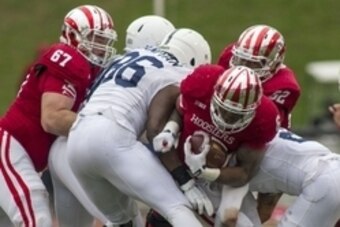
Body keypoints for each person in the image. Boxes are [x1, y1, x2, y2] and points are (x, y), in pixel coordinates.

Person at [51, 28, 213, 227]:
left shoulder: (128, 56)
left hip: (76, 139)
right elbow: (156, 129)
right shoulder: (178, 71)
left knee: (123, 220)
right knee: (177, 207)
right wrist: (185, 182)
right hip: (112, 135)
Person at [0, 4, 117, 227]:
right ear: (72, 35)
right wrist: (101, 126)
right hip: (10, 147)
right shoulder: (68, 58)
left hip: (25, 155)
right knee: (36, 214)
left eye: (104, 40)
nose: (101, 46)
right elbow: (52, 118)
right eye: (95, 38)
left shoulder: (91, 69)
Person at [148, 65, 280, 226]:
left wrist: (207, 172)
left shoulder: (263, 120)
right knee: (166, 216)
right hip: (178, 162)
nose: (228, 117)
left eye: (236, 114)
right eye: (224, 109)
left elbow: (244, 174)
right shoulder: (202, 84)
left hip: (218, 179)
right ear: (214, 94)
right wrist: (170, 130)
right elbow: (180, 109)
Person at [217, 24, 300, 129]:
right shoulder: (229, 57)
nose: (243, 66)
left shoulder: (284, 85)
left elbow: (264, 123)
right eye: (242, 60)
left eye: (253, 64)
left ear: (274, 64)